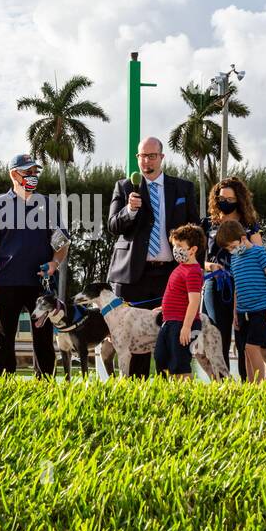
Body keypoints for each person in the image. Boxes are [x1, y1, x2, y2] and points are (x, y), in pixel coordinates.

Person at [106, 136, 200, 378]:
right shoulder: (125, 187)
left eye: (151, 156)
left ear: (161, 157)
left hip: (170, 276)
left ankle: (168, 393)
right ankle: (137, 395)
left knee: (170, 335)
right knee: (136, 343)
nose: (146, 161)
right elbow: (113, 226)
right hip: (133, 275)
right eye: (142, 156)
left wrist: (197, 269)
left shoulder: (183, 188)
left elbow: (196, 233)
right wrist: (130, 211)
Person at [0, 153, 67, 377]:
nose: (33, 176)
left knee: (44, 337)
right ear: (13, 174)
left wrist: (55, 263)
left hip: (40, 282)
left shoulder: (48, 204)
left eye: (35, 172)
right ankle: (5, 384)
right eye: (28, 172)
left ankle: (46, 384)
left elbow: (62, 243)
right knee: (4, 336)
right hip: (7, 281)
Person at [200, 176, 265, 377]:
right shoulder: (207, 224)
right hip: (215, 284)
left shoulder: (249, 226)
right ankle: (222, 385)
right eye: (221, 198)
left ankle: (248, 387)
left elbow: (259, 256)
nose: (224, 202)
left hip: (244, 286)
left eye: (230, 199)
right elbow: (194, 259)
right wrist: (210, 266)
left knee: (244, 339)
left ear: (240, 199)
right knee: (218, 337)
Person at [216, 219, 266, 382]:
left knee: (252, 347)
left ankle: (259, 386)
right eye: (228, 249)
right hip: (243, 313)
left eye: (232, 246)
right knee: (245, 351)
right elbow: (237, 287)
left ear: (243, 238)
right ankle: (250, 386)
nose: (231, 251)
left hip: (261, 310)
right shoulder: (235, 259)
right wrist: (235, 312)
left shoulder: (259, 253)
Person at [154, 224, 206, 380]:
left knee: (179, 363)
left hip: (182, 324)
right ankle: (169, 392)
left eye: (179, 246)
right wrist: (164, 307)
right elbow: (178, 295)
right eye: (174, 245)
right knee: (160, 358)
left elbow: (194, 301)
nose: (175, 249)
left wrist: (187, 327)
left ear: (193, 249)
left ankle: (184, 395)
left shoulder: (193, 272)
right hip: (170, 322)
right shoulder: (181, 268)